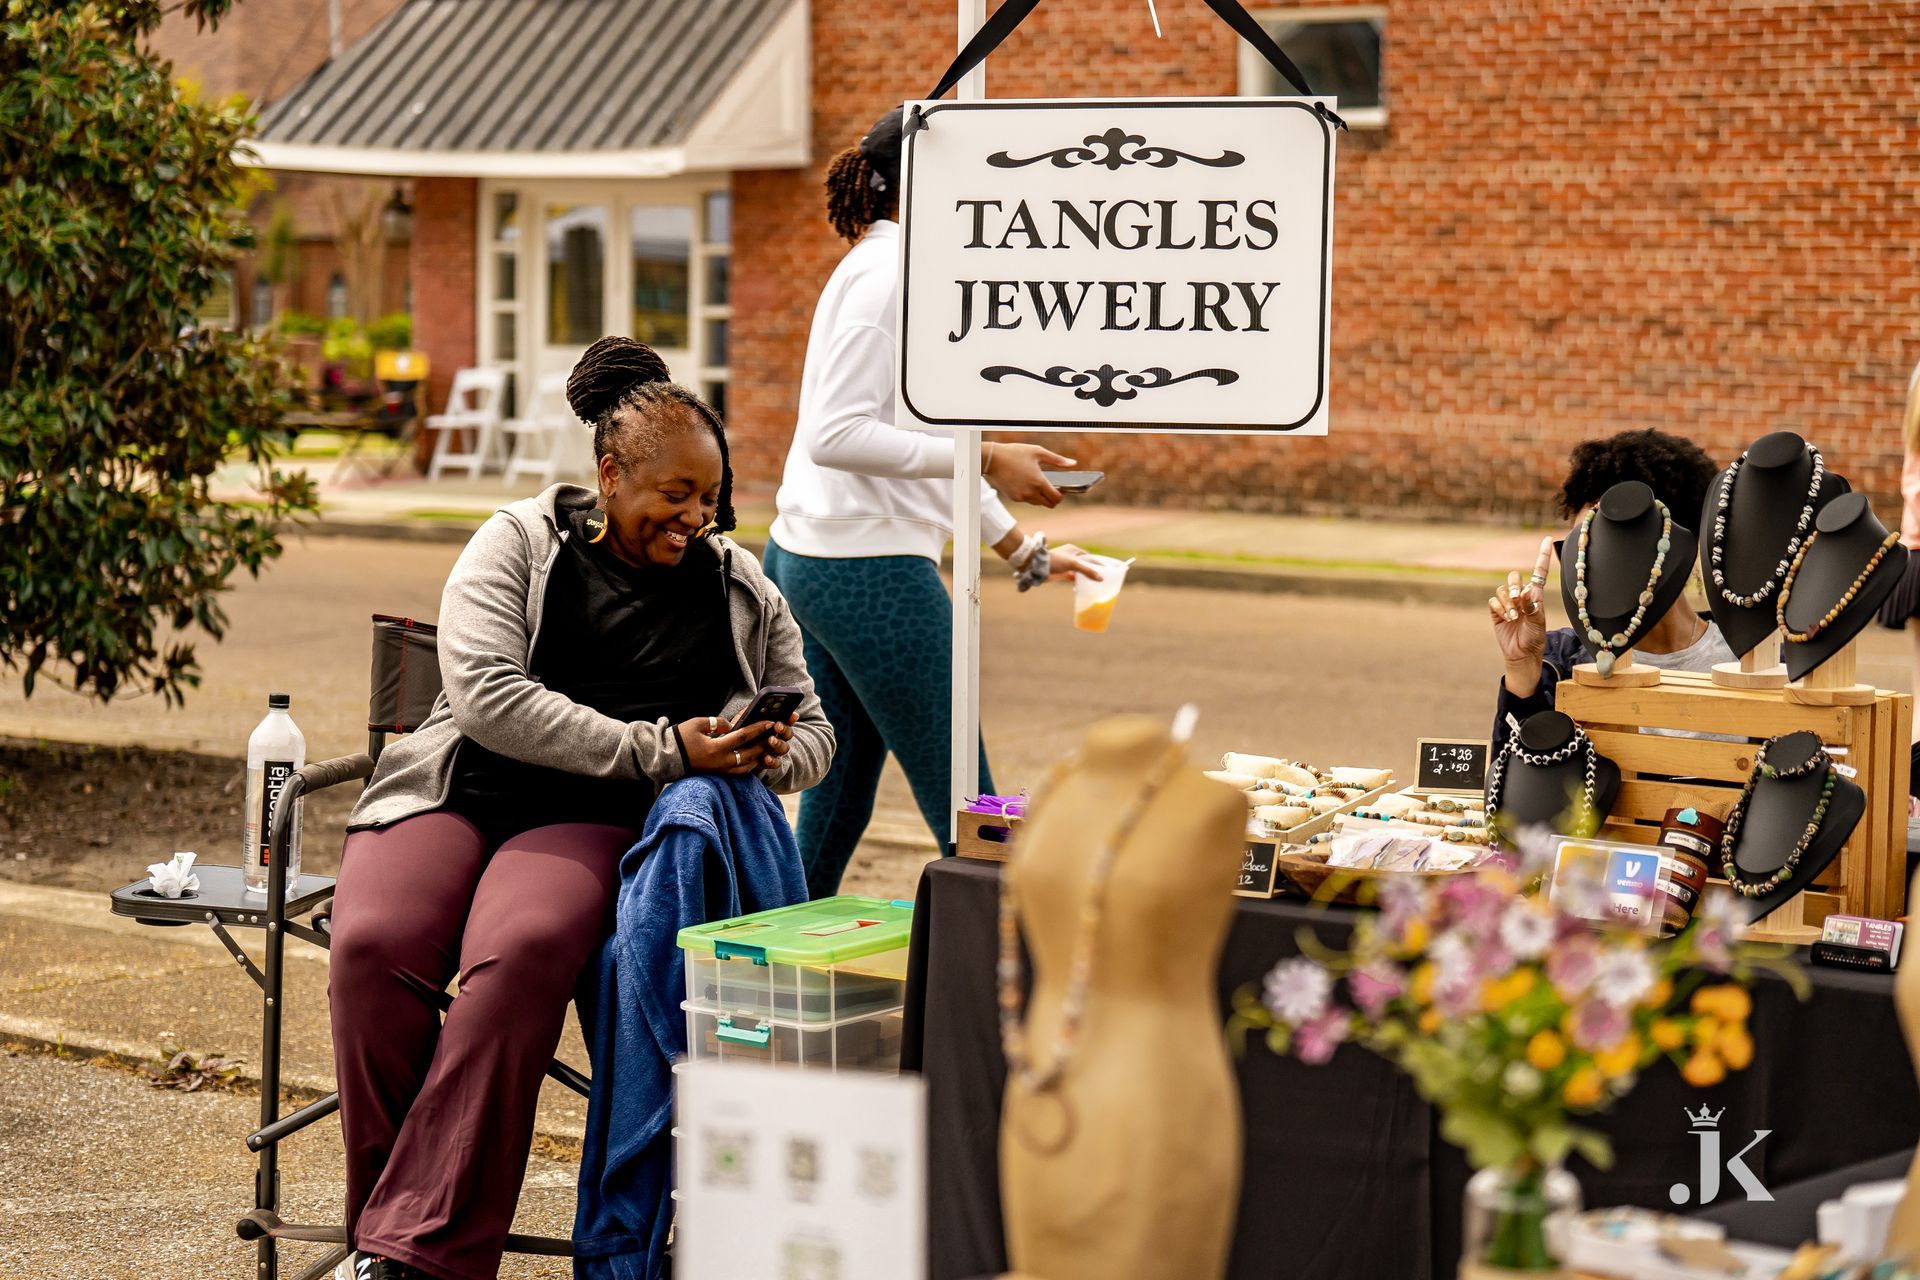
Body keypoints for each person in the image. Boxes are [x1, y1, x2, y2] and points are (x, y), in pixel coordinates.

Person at [329, 337, 833, 1280]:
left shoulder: (740, 587)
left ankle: (412, 1255)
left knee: (517, 954)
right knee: (371, 948)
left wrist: (763, 757)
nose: (697, 516)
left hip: (589, 822)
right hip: (457, 791)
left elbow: (814, 729)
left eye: (710, 496)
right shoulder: (518, 543)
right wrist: (662, 746)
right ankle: (390, 1235)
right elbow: (484, 693)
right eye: (673, 494)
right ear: (609, 476)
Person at [762, 105, 1100, 899]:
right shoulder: (891, 278)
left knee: (838, 800)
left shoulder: (897, 269)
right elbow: (836, 433)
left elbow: (928, 432)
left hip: (824, 558)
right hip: (863, 569)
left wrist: (1022, 548)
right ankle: (998, 988)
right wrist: (988, 455)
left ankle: (757, 977)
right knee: (973, 804)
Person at [1488, 429, 1732, 750]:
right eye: (1574, 551)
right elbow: (1510, 791)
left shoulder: (1752, 660)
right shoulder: (1558, 661)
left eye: (1599, 550)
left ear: (1672, 549)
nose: (1583, 570)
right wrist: (1522, 673)